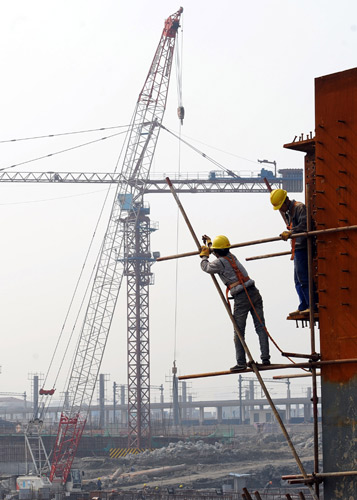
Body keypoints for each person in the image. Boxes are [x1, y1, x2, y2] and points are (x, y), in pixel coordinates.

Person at [200, 234, 270, 371]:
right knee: (261, 327)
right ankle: (265, 358)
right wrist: (210, 244)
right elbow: (219, 253)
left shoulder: (219, 263)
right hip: (254, 292)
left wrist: (204, 256)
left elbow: (206, 268)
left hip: (242, 296)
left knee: (239, 331)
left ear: (217, 251)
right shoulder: (231, 257)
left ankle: (241, 363)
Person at [270, 189, 311, 315]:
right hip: (296, 247)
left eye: (280, 206)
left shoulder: (299, 208)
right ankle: (303, 305)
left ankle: (310, 304)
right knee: (297, 280)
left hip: (303, 247)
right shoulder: (289, 211)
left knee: (303, 278)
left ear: (286, 201)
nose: (280, 209)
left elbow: (305, 226)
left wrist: (291, 232)